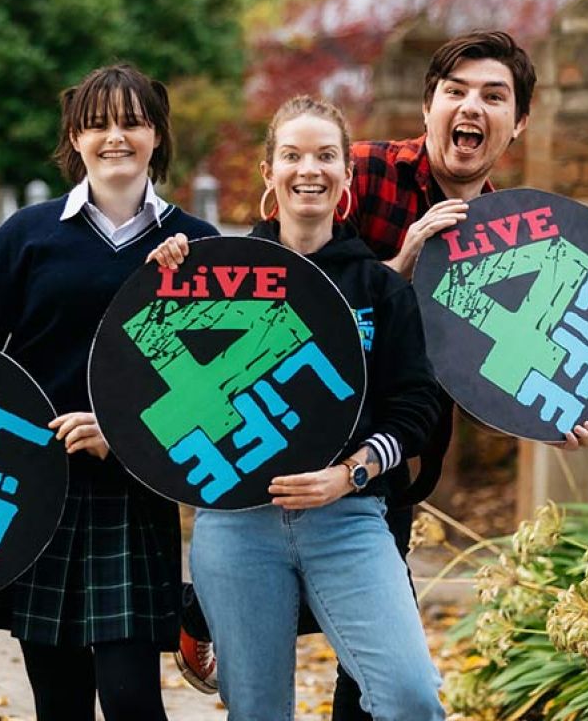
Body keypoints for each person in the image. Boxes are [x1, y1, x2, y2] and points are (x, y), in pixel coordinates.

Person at [157, 29, 588, 719]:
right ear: (428, 105)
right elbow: (193, 337)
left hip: (362, 488)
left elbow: (449, 371)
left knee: (390, 690)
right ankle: (205, 610)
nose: (470, 108)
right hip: (247, 492)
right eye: (455, 91)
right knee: (258, 703)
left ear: (517, 123)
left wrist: (541, 413)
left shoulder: (504, 232)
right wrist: (175, 261)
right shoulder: (358, 175)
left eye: (493, 97)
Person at [0, 64, 218, 721]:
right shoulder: (27, 236)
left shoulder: (197, 249)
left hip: (134, 494)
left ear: (156, 134)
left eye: (131, 122)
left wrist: (121, 435)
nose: (113, 137)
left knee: (130, 700)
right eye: (96, 124)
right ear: (74, 136)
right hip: (38, 493)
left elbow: (214, 399)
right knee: (58, 702)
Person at [185, 95, 444, 720]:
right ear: (269, 173)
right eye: (293, 155)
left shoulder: (378, 286)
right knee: (259, 713)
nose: (310, 169)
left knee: (411, 697)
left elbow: (417, 406)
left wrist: (350, 473)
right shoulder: (220, 277)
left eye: (327, 156)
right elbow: (152, 375)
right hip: (238, 520)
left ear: (347, 178)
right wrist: (166, 275)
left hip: (348, 519)